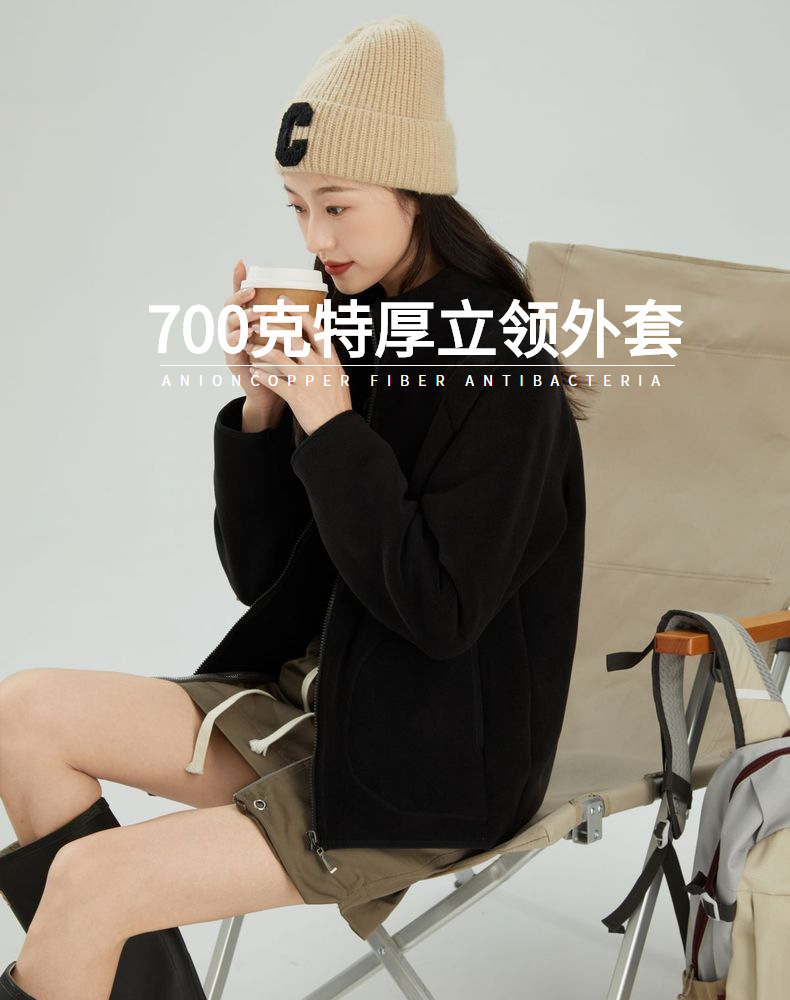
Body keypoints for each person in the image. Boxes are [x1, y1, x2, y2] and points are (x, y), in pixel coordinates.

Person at [0, 16, 590, 999]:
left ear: (414, 193)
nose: (316, 240)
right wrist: (267, 409)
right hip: (314, 705)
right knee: (22, 713)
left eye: (338, 206)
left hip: (426, 760)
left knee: (90, 881)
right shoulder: (351, 320)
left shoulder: (497, 358)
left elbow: (440, 612)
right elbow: (264, 578)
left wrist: (332, 420)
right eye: (298, 207)